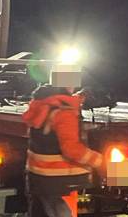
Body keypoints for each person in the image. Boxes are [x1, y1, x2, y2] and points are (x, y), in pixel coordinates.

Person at [22, 65, 101, 217]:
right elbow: (71, 149)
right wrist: (101, 161)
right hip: (61, 182)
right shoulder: (65, 112)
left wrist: (78, 99)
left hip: (40, 179)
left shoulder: (42, 104)